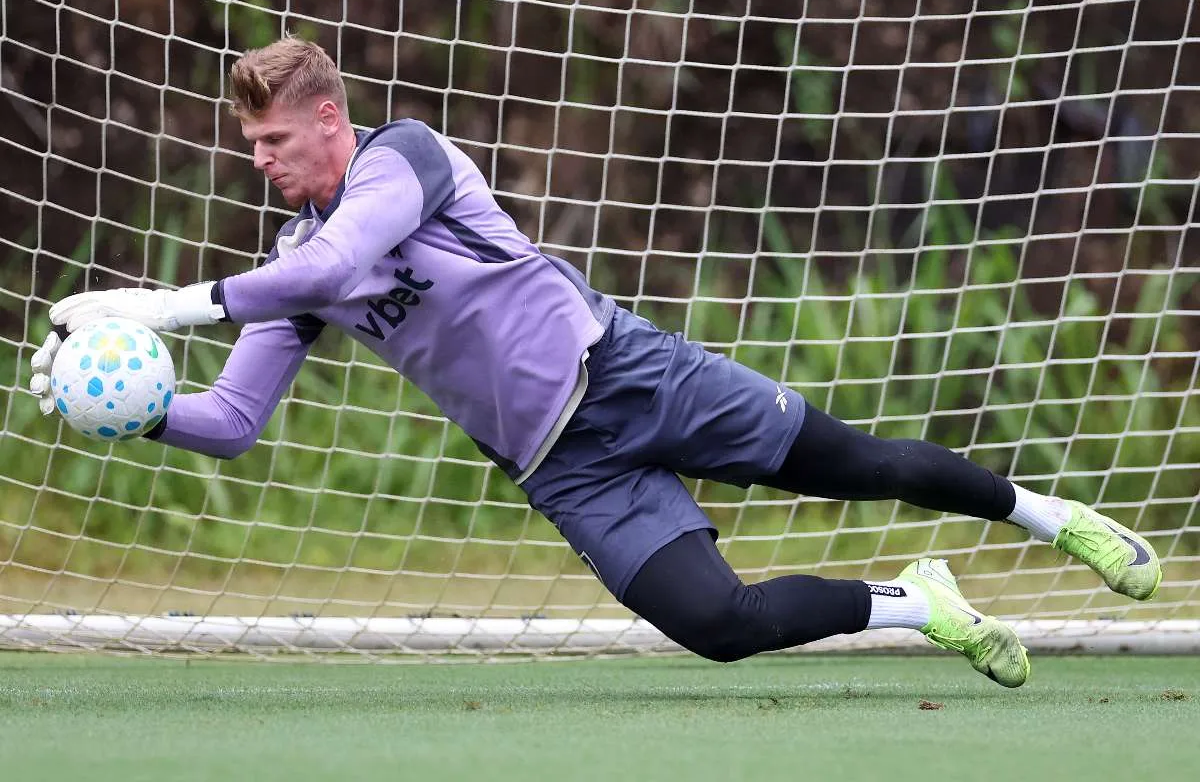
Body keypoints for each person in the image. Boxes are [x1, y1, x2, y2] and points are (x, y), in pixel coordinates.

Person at [28, 37, 1161, 687]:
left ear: (328, 117)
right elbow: (231, 419)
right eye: (253, 146)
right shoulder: (286, 266)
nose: (263, 159)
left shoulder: (401, 160)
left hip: (627, 371)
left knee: (866, 462)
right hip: (565, 466)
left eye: (276, 138)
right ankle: (916, 602)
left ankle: (1055, 519)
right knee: (717, 625)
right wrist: (140, 413)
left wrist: (170, 302)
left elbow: (349, 256)